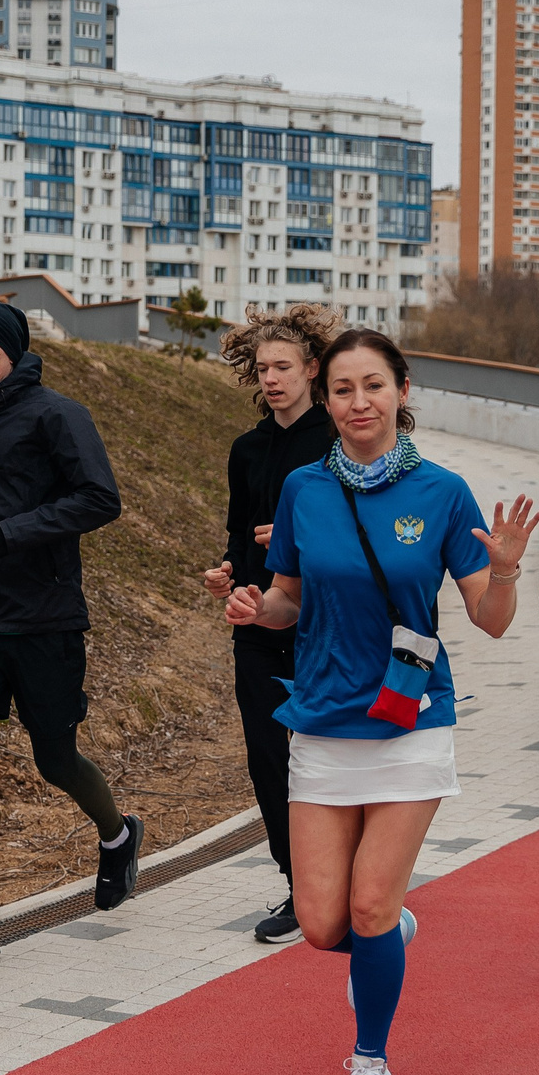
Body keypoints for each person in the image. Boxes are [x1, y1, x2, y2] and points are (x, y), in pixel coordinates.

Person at [224, 330, 536, 1075]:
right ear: (324, 401)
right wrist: (260, 607)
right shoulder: (302, 487)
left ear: (402, 389)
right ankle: (388, 927)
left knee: (364, 908)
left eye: (373, 385)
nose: (358, 403)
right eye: (342, 389)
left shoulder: (443, 491)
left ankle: (371, 1065)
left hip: (408, 721)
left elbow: (491, 622)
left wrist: (501, 568)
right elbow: (288, 596)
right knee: (325, 922)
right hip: (322, 722)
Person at [0, 302, 140, 969]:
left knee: (55, 759)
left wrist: (13, 533)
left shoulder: (56, 415)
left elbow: (101, 498)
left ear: (10, 351)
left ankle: (118, 835)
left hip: (44, 621)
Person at [205, 304, 343, 944]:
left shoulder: (340, 441)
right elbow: (240, 529)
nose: (272, 379)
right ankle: (298, 885)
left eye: (284, 366)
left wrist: (300, 535)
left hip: (329, 622)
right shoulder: (246, 448)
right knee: (268, 759)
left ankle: (349, 870)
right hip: (258, 617)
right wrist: (229, 568)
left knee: (330, 754)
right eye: (263, 369)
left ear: (313, 369)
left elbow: (363, 530)